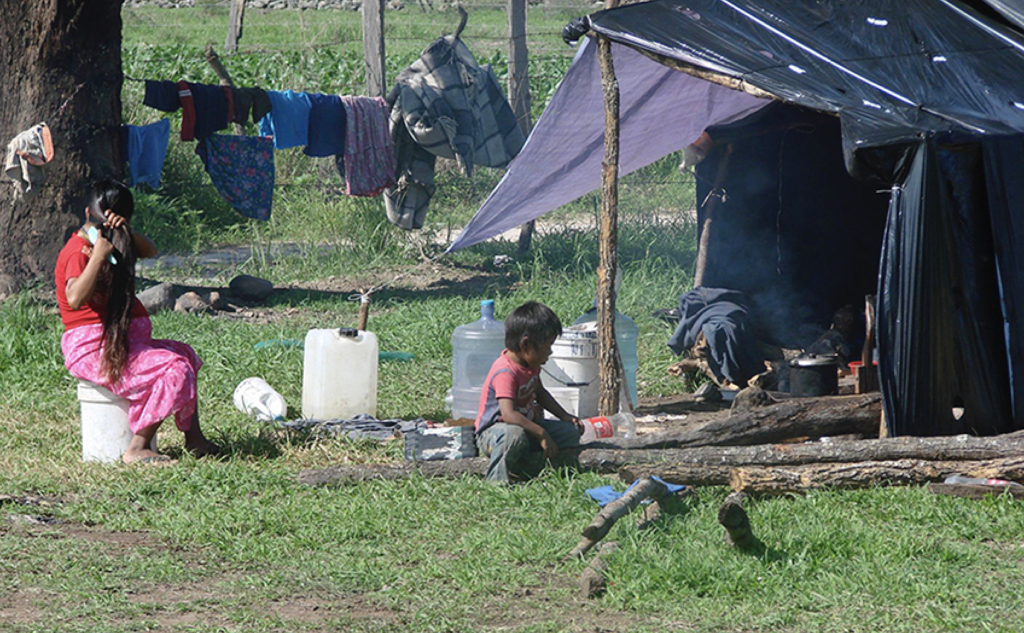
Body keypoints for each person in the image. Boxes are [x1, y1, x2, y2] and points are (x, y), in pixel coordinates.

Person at [55, 179, 218, 464]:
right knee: (174, 369)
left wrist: (124, 231)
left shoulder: (118, 241)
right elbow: (74, 299)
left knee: (185, 355)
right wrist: (98, 258)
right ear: (87, 215)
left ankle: (194, 439)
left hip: (122, 341)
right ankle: (138, 446)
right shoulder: (77, 251)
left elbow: (150, 249)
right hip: (92, 348)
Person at [475, 301, 583, 484]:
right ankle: (497, 482)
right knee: (513, 437)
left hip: (526, 427)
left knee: (570, 432)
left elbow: (540, 393)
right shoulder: (505, 371)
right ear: (526, 345)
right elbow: (508, 415)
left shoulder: (530, 365)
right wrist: (541, 433)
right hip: (496, 433)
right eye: (547, 346)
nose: (550, 352)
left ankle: (538, 464)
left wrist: (564, 415)